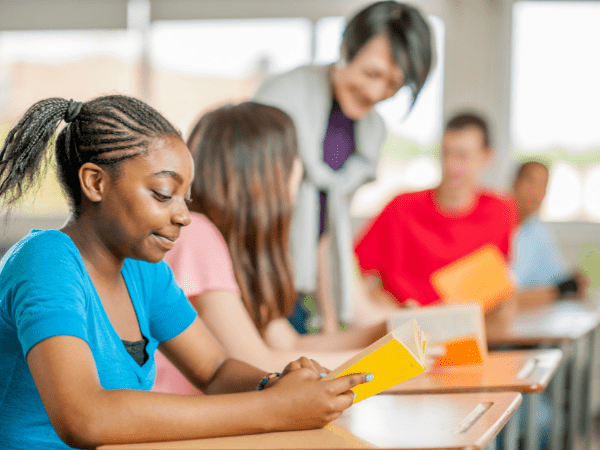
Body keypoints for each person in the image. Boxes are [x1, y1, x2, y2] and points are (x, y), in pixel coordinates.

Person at [0, 96, 370, 450]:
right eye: (163, 194)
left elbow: (215, 370)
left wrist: (275, 385)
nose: (184, 216)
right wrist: (275, 408)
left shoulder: (144, 270)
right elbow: (85, 418)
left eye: (185, 198)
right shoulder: (46, 261)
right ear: (95, 183)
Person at [153, 102, 393, 395]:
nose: (299, 174)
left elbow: (290, 345)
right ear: (266, 176)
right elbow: (261, 365)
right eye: (294, 160)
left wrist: (386, 333)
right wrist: (389, 361)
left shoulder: (236, 251)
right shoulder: (197, 235)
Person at [253, 1, 434, 331]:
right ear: (344, 48)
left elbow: (326, 233)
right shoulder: (281, 101)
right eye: (371, 73)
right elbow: (248, 218)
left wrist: (334, 324)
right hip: (253, 281)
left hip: (297, 292)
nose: (376, 92)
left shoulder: (368, 131)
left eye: (394, 83)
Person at [354, 113, 519, 311]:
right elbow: (356, 270)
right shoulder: (401, 207)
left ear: (486, 158)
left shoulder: (502, 212)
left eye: (462, 156)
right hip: (406, 326)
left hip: (469, 328)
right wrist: (385, 306)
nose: (451, 166)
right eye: (445, 153)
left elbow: (497, 281)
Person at [511, 160, 588, 307]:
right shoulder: (496, 225)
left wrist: (573, 282)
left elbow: (558, 278)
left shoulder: (538, 230)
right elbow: (505, 298)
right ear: (515, 183)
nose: (536, 191)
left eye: (543, 185)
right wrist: (558, 291)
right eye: (530, 181)